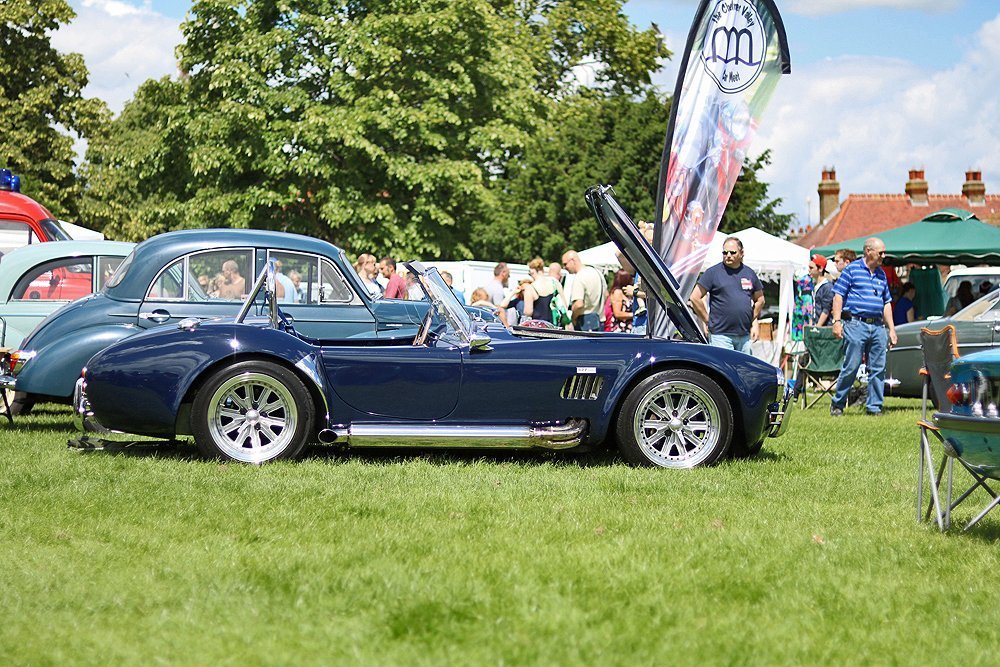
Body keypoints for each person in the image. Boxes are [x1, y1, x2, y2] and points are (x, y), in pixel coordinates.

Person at [829, 237, 897, 417]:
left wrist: (891, 329)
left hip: (877, 327)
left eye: (884, 252)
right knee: (851, 366)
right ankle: (837, 404)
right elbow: (838, 296)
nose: (884, 255)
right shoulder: (852, 270)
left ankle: (874, 407)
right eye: (880, 252)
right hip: (855, 324)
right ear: (868, 251)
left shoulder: (882, 274)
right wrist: (836, 321)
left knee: (878, 368)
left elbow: (886, 303)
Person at [689, 237, 764, 353]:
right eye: (725, 252)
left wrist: (753, 321)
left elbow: (760, 300)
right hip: (720, 336)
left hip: (744, 336)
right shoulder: (713, 273)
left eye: (732, 252)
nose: (728, 255)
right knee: (723, 370)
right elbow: (695, 297)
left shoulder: (749, 273)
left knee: (744, 370)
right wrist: (707, 320)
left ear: (741, 253)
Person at [561, 250, 606, 331]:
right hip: (600, 321)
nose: (564, 268)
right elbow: (606, 294)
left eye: (565, 264)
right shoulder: (597, 273)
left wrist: (573, 318)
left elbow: (579, 304)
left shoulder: (580, 277)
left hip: (585, 323)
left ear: (573, 260)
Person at [521, 257, 561, 324]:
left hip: (539, 326)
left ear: (532, 271)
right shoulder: (555, 283)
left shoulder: (531, 288)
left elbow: (528, 312)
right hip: (554, 326)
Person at [811, 254, 834, 326]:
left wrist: (818, 326)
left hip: (824, 327)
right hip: (816, 325)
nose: (809, 270)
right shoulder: (815, 285)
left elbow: (826, 310)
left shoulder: (827, 287)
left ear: (820, 269)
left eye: (811, 267)